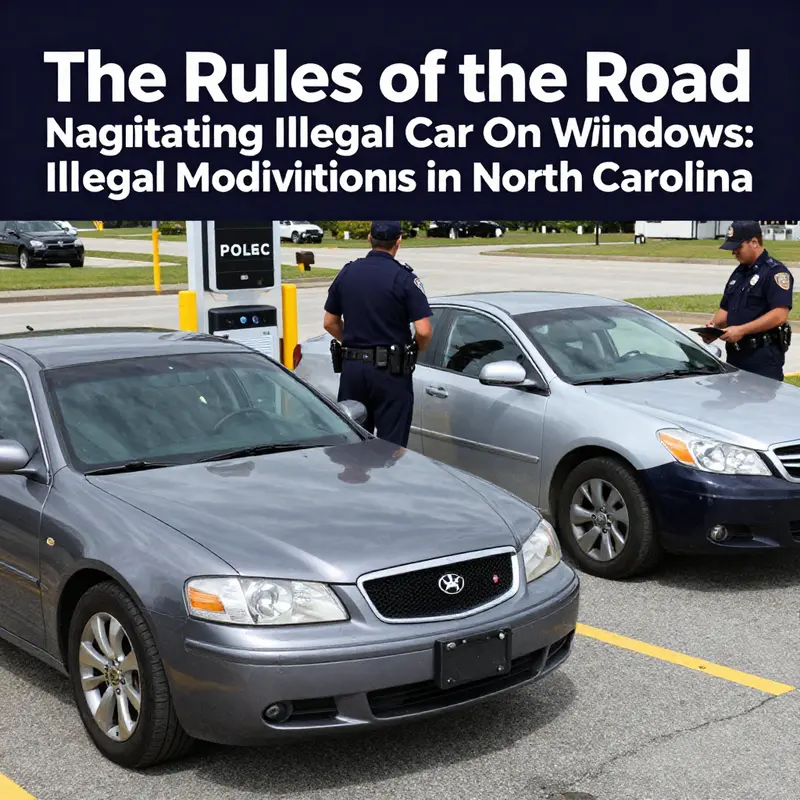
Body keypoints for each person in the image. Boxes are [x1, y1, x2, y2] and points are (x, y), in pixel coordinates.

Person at [322, 221, 433, 447]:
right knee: (390, 448)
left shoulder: (347, 272)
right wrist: (414, 350)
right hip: (390, 374)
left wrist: (354, 343)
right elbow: (423, 330)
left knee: (354, 444)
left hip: (352, 371)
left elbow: (330, 322)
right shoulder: (404, 278)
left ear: (370, 239)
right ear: (399, 241)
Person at [703, 220, 793, 380]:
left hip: (762, 357)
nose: (734, 252)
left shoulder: (774, 272)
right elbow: (726, 308)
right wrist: (714, 327)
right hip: (735, 355)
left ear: (754, 242)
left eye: (738, 247)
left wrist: (741, 330)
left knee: (760, 404)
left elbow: (780, 314)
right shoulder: (739, 273)